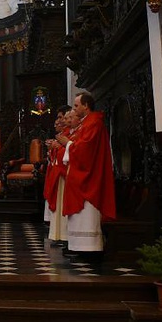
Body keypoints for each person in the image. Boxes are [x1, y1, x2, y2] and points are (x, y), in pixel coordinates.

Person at [56, 92, 116, 260]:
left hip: (89, 176)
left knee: (87, 213)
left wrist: (66, 143)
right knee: (80, 215)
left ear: (86, 106)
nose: (74, 109)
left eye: (76, 106)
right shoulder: (86, 123)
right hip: (79, 174)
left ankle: (89, 249)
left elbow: (85, 150)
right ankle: (79, 247)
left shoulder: (94, 123)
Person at [43, 105, 72, 246]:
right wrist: (53, 148)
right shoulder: (66, 134)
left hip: (65, 174)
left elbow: (74, 148)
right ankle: (59, 234)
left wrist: (58, 147)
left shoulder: (70, 133)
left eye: (64, 118)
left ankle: (64, 235)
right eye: (61, 118)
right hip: (59, 172)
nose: (61, 122)